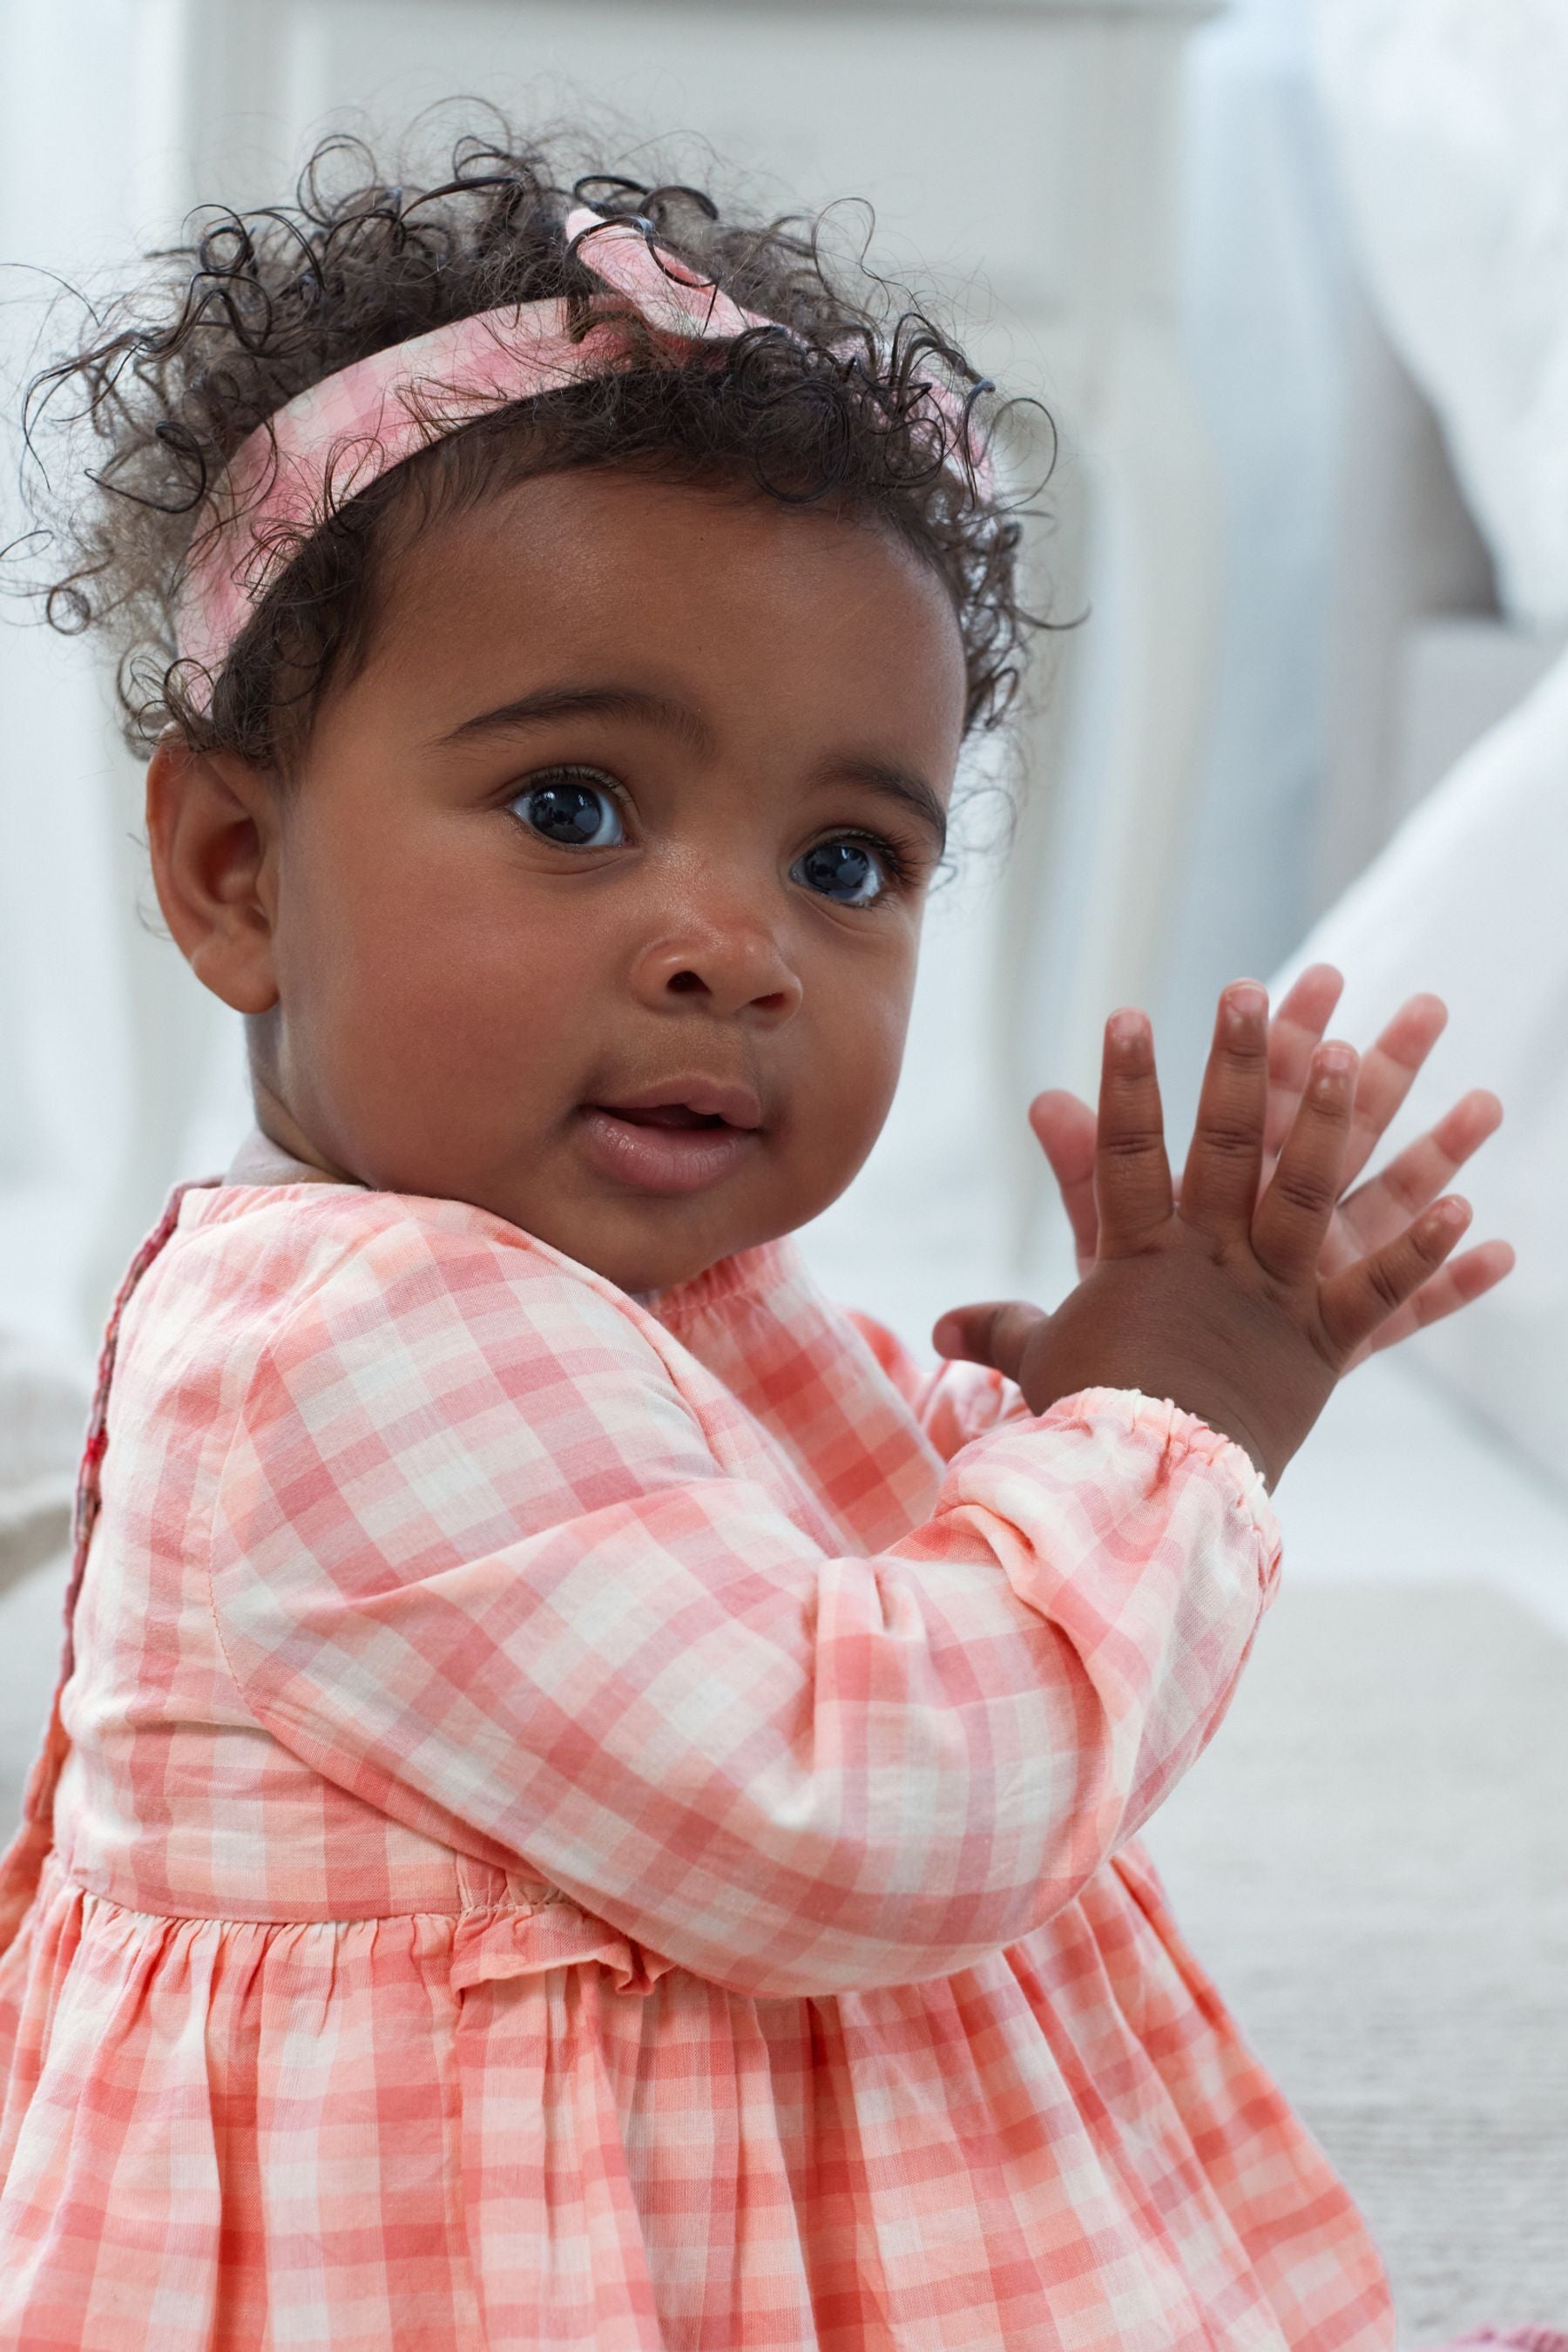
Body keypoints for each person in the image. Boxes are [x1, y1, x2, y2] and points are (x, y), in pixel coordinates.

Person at [0, 121, 1540, 2352]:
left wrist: (1029, 1424)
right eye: (572, 808)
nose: (737, 945)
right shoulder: (352, 1342)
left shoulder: (610, 1282)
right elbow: (873, 1806)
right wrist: (1149, 1443)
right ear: (239, 870)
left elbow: (780, 1590)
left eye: (848, 862)